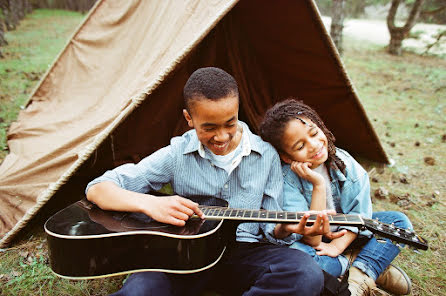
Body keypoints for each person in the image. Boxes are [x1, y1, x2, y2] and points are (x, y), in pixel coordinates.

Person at [86, 68, 344, 296]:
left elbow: (271, 226)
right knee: (142, 290)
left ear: (237, 112)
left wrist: (288, 228)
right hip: (184, 254)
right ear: (189, 119)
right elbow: (98, 189)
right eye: (208, 127)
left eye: (229, 123)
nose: (221, 136)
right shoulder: (177, 154)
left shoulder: (265, 155)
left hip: (244, 253)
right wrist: (149, 204)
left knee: (304, 273)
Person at [259, 98, 413, 296]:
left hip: (349, 234)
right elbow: (312, 240)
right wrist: (318, 185)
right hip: (314, 246)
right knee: (298, 260)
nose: (314, 145)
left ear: (320, 125)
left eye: (314, 133)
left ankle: (359, 276)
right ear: (287, 157)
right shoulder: (287, 179)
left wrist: (338, 246)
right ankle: (364, 265)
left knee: (398, 222)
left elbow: (360, 218)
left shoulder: (346, 164)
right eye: (300, 146)